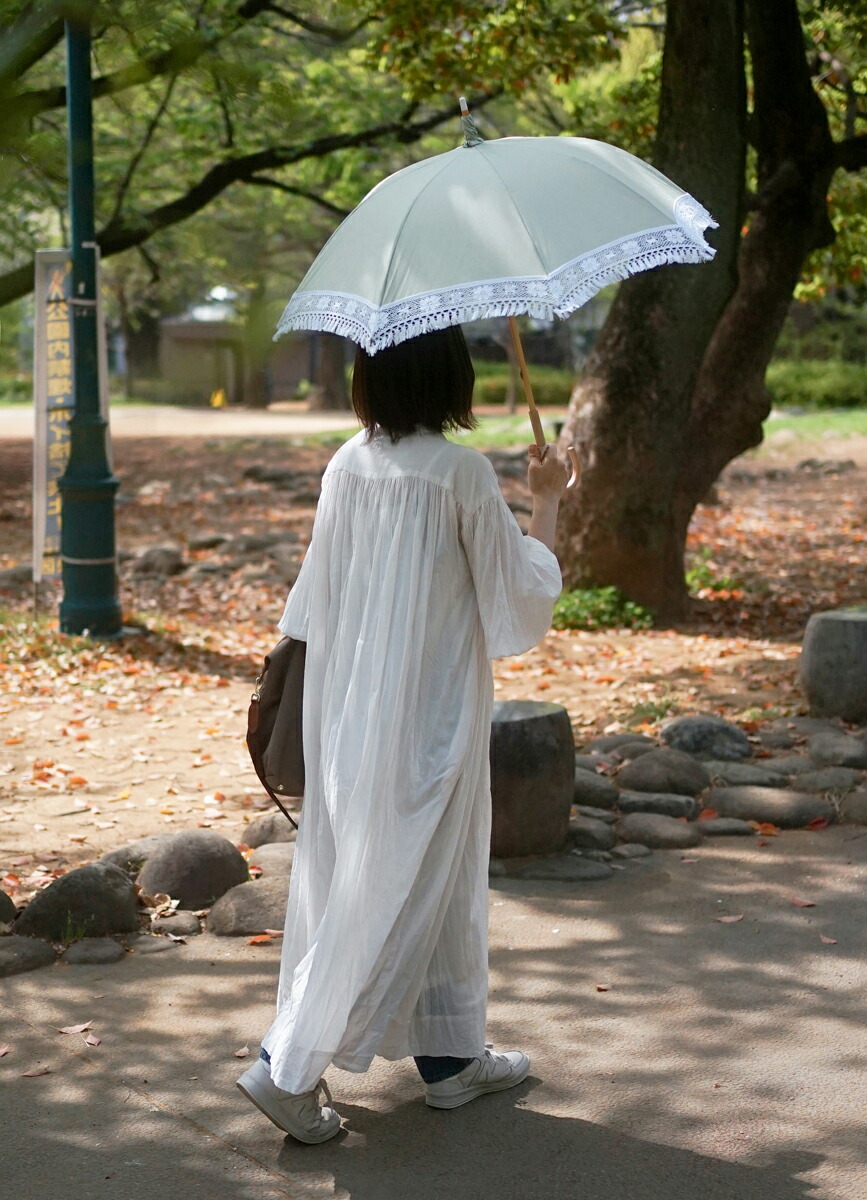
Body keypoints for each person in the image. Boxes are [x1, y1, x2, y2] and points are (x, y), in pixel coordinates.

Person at [237, 325, 569, 1143]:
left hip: (349, 713)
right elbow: (518, 600)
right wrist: (551, 496)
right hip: (430, 717)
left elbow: (311, 603)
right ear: (450, 374)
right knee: (393, 886)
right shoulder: (458, 472)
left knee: (402, 879)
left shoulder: (347, 462)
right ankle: (287, 1064)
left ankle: (450, 1060)